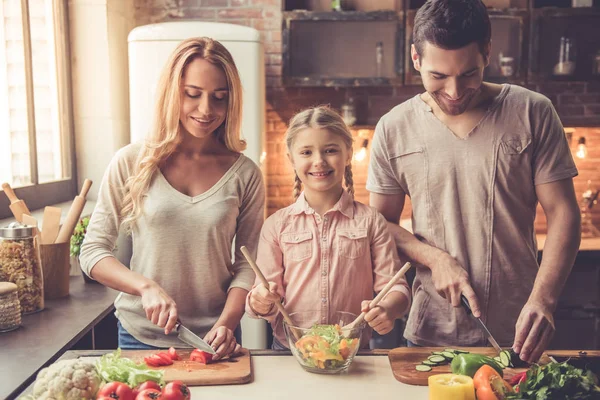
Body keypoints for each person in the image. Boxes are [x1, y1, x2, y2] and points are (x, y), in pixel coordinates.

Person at [367, 0, 581, 363]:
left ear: (487, 52)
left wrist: (544, 299)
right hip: (430, 332)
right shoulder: (394, 127)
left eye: (468, 74)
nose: (453, 91)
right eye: (438, 76)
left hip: (518, 333)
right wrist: (435, 259)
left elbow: (563, 213)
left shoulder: (533, 111)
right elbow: (378, 226)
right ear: (416, 59)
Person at [80, 37, 265, 358]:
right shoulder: (131, 161)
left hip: (217, 335)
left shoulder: (245, 173)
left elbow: (248, 266)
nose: (206, 110)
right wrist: (145, 287)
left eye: (219, 98)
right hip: (141, 334)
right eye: (192, 95)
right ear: (171, 92)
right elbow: (93, 252)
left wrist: (228, 321)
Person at [245, 106, 411, 349]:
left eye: (330, 150)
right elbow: (259, 302)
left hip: (351, 352)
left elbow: (397, 288)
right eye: (306, 152)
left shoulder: (371, 221)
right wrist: (261, 300)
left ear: (348, 154)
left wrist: (388, 308)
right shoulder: (276, 225)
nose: (319, 161)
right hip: (289, 353)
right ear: (291, 159)